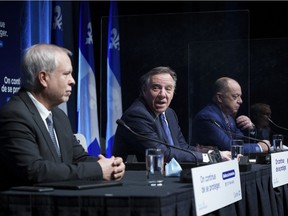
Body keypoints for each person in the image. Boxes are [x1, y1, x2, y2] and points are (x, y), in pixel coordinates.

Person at [0, 44, 125, 188]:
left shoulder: (59, 116)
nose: (72, 81)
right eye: (66, 74)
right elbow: (35, 171)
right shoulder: (15, 115)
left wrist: (111, 165)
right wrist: (98, 170)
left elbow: (78, 157)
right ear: (43, 78)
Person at [113, 66, 231, 163]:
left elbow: (183, 148)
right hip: (140, 180)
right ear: (144, 90)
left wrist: (214, 154)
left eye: (168, 89)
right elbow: (162, 154)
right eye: (156, 88)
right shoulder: (137, 115)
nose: (163, 94)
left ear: (173, 92)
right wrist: (210, 158)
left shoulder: (169, 113)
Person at [192, 77, 270, 153]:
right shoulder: (207, 117)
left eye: (240, 96)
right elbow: (228, 147)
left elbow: (240, 141)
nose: (240, 101)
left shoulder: (228, 117)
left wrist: (251, 129)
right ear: (219, 98)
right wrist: (259, 147)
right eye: (235, 96)